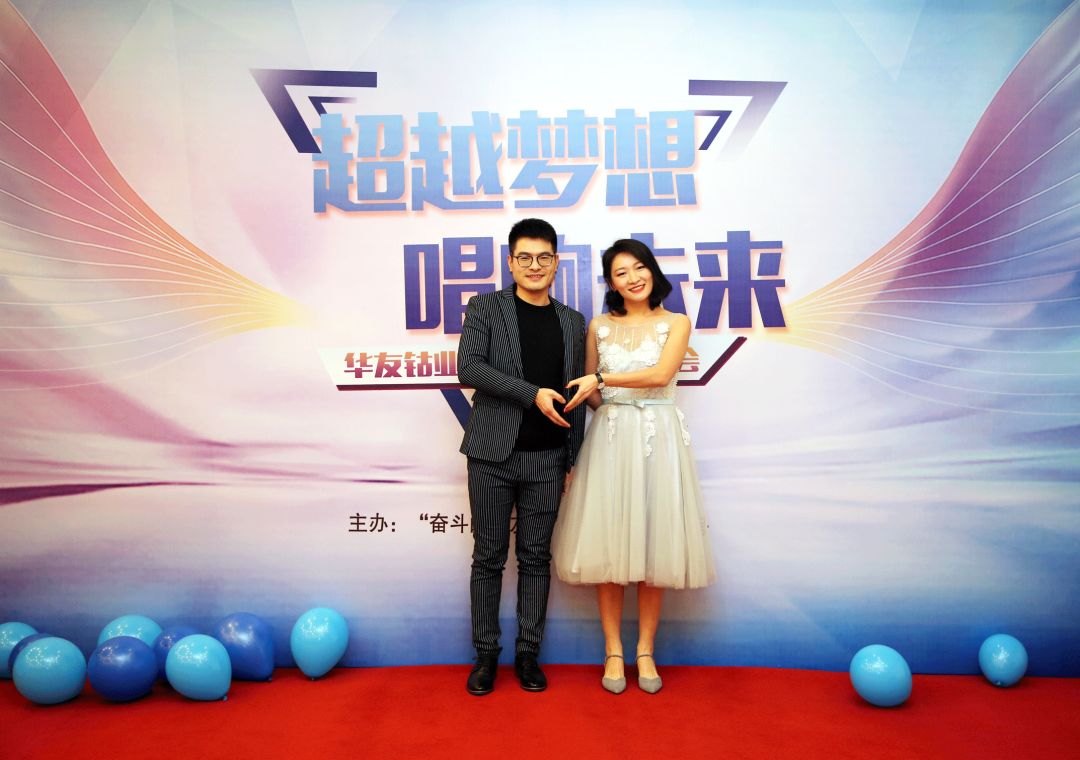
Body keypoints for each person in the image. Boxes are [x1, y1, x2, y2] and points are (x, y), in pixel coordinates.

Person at [553, 238, 716, 694]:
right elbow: (589, 393)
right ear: (611, 283)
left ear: (653, 271)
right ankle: (613, 651)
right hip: (611, 440)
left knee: (654, 545)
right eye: (621, 272)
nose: (633, 278)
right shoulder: (599, 326)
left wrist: (603, 380)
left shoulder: (676, 322)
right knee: (610, 545)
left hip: (659, 438)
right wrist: (612, 406)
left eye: (639, 267)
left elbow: (660, 375)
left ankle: (645, 650)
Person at [457, 218, 587, 696]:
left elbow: (576, 395)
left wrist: (571, 458)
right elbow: (469, 368)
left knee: (535, 558)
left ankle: (528, 653)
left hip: (547, 459)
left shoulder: (572, 321)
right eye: (525, 258)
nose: (535, 266)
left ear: (556, 263)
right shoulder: (486, 307)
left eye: (544, 257)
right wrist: (531, 393)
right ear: (511, 262)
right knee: (488, 557)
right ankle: (485, 655)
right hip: (491, 455)